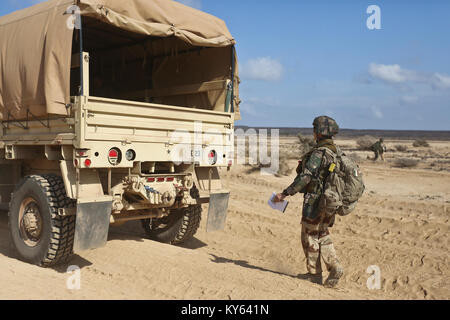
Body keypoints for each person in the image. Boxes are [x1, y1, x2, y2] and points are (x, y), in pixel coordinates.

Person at [273, 116, 344, 288]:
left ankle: (314, 274)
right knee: (322, 234)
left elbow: (305, 177)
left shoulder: (319, 153)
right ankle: (334, 266)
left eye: (314, 129)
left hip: (315, 202)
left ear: (319, 132)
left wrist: (285, 194)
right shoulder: (336, 152)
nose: (312, 133)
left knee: (309, 236)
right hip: (330, 203)